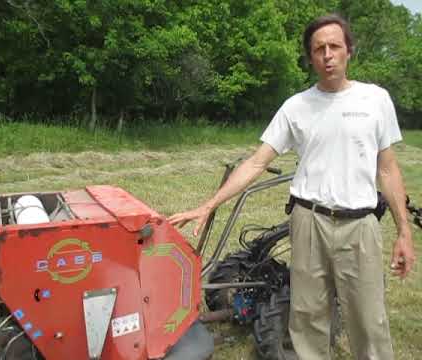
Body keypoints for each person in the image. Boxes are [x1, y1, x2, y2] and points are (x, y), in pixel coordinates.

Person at [168, 13, 415, 360]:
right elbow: (257, 162)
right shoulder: (296, 106)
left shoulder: (375, 100)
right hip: (308, 223)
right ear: (311, 57)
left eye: (334, 46)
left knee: (369, 322)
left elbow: (387, 170)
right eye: (319, 49)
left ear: (349, 51)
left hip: (359, 227)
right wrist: (208, 205)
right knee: (307, 318)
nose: (327, 55)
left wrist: (404, 231)